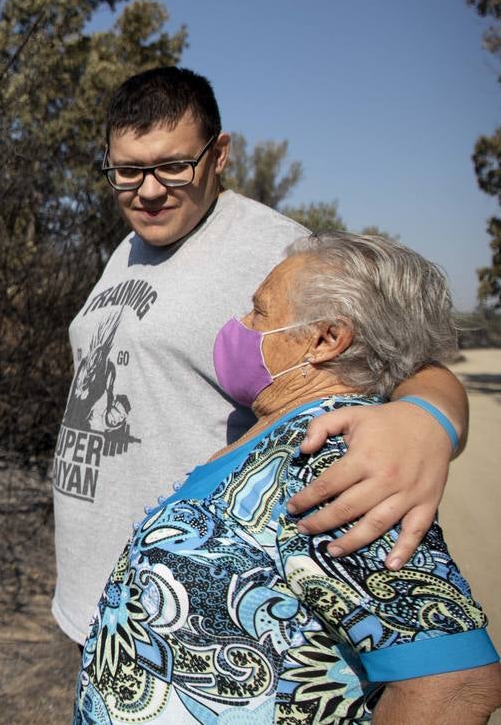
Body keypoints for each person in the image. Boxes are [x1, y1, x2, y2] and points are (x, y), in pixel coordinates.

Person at [50, 67, 469, 649]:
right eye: (128, 171)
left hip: (195, 614)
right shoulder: (131, 243)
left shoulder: (276, 251)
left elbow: (417, 365)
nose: (148, 190)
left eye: (173, 166)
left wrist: (429, 421)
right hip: (97, 600)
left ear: (219, 154)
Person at [74, 232, 501, 722]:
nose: (239, 326)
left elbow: (454, 683)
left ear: (325, 339)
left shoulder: (333, 459)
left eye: (260, 313)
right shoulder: (287, 431)